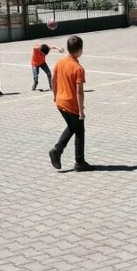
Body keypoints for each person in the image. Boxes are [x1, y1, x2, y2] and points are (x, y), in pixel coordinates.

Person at [49, 35, 92, 171]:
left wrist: (55, 96)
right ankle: (79, 162)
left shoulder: (59, 62)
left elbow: (53, 80)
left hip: (60, 102)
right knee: (79, 131)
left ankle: (57, 149)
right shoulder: (78, 68)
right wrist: (81, 111)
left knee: (72, 127)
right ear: (80, 50)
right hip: (71, 104)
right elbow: (79, 92)